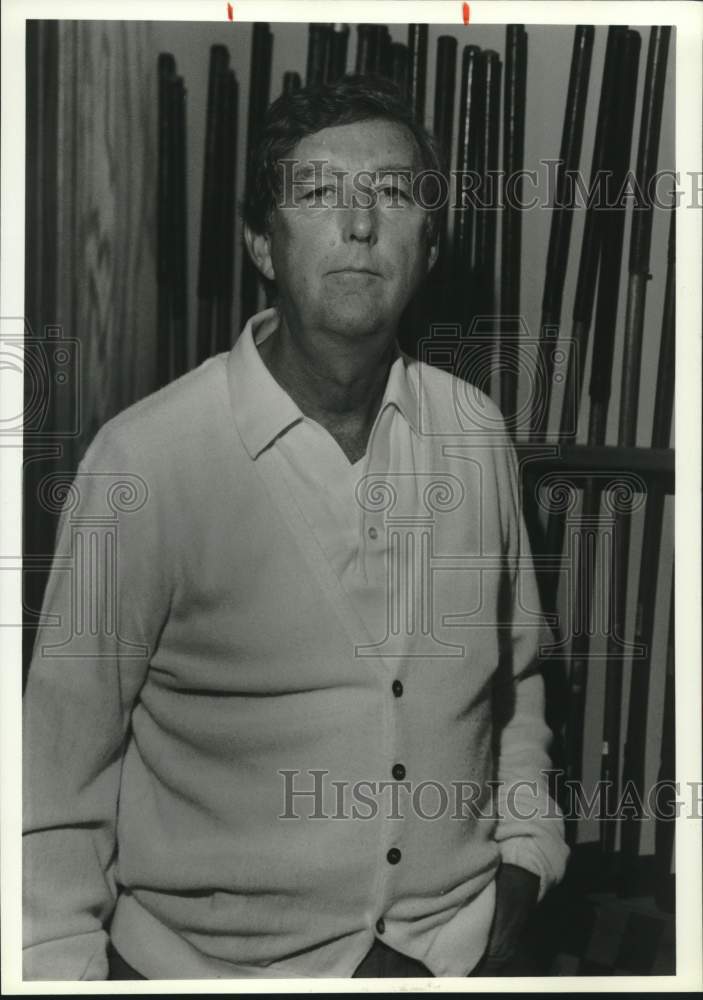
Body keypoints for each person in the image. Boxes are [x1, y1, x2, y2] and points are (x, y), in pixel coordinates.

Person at [23, 74, 569, 981]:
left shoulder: (475, 433)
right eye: (317, 194)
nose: (358, 225)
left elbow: (515, 682)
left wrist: (527, 849)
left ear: (427, 243)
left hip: (452, 949)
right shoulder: (147, 460)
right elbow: (53, 783)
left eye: (392, 194)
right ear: (259, 243)